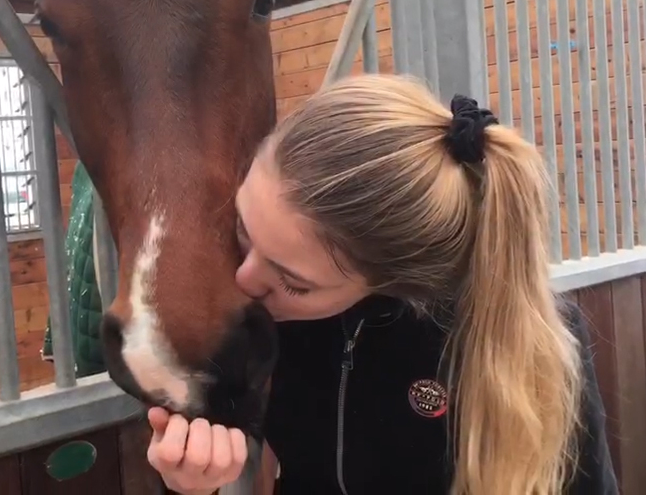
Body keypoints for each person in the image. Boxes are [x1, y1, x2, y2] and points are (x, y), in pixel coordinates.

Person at [146, 73, 618, 495]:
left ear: (392, 281)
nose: (244, 281)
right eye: (243, 231)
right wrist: (189, 485)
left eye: (293, 282)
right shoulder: (253, 324)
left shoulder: (529, 342)